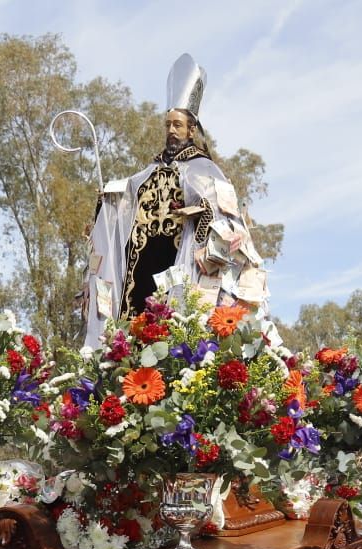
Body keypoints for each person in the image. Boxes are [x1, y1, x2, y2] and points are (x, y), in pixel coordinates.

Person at [82, 53, 271, 351]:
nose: (171, 131)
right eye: (168, 124)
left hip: (185, 266)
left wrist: (202, 215)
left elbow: (224, 220)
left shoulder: (206, 170)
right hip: (144, 264)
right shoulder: (147, 173)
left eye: (178, 125)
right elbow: (127, 195)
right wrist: (108, 200)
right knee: (139, 319)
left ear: (191, 129)